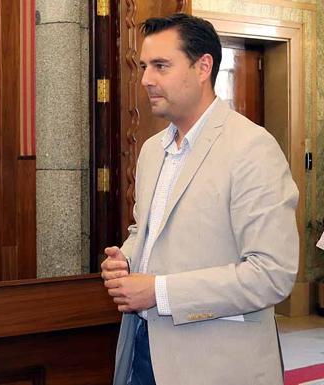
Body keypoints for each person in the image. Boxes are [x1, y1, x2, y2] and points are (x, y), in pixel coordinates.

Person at [101, 13, 298, 385]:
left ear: (203, 66)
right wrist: (125, 259)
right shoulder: (151, 151)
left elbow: (271, 274)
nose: (145, 79)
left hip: (215, 364)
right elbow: (144, 229)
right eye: (144, 66)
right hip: (142, 350)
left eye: (161, 66)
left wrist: (157, 291)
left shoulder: (252, 149)